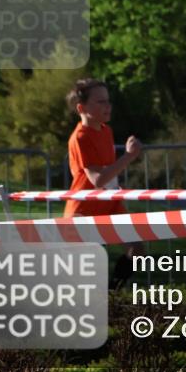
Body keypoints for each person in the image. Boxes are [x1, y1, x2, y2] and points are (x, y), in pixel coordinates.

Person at [64, 78, 143, 289]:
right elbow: (97, 179)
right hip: (85, 208)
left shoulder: (106, 130)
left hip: (109, 203)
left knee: (137, 249)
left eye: (108, 101)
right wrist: (128, 156)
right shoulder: (80, 137)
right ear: (81, 108)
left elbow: (107, 172)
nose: (107, 106)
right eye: (100, 102)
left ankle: (114, 291)